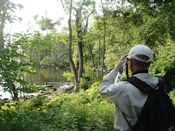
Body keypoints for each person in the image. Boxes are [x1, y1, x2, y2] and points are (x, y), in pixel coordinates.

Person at [99, 44, 156, 131]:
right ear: (149, 64)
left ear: (130, 62)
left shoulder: (122, 88)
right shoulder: (159, 84)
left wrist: (117, 68)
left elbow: (103, 88)